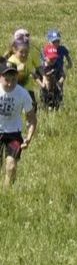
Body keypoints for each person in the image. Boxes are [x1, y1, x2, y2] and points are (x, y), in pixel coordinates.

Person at [1, 57, 36, 188]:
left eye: (14, 79)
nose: (10, 84)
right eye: (7, 80)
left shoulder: (23, 94)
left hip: (14, 133)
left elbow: (31, 117)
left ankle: (6, 193)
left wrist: (28, 137)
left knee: (11, 165)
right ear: (0, 77)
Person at [39, 29, 73, 111]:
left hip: (58, 71)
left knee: (58, 89)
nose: (56, 43)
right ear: (49, 41)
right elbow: (41, 64)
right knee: (46, 90)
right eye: (54, 41)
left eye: (58, 41)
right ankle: (45, 104)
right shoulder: (45, 50)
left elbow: (68, 58)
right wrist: (44, 75)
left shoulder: (62, 49)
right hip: (47, 73)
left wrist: (69, 64)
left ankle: (57, 104)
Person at [6, 31, 36, 110]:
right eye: (21, 52)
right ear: (15, 50)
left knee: (33, 107)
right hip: (15, 89)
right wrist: (17, 71)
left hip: (28, 88)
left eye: (26, 52)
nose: (24, 54)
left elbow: (29, 70)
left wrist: (33, 74)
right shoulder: (11, 61)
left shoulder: (27, 59)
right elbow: (8, 77)